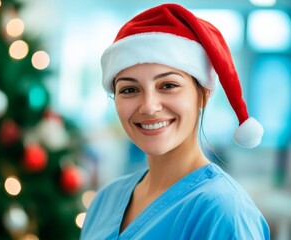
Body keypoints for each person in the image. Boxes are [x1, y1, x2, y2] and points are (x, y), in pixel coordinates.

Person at [80, 3, 269, 240]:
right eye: (129, 89)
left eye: (168, 85)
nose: (148, 106)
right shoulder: (105, 200)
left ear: (204, 95)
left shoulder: (224, 211)